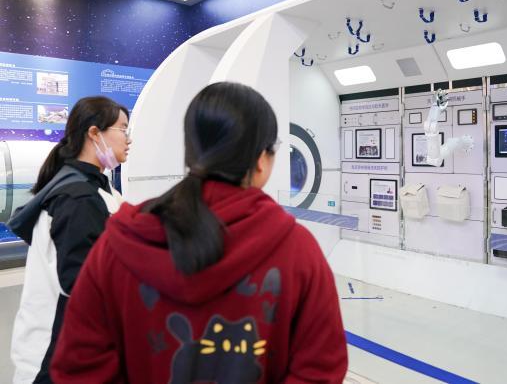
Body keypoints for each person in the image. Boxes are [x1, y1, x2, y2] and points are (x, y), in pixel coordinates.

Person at [51, 82, 348, 383]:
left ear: (192, 151)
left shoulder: (120, 244)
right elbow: (320, 368)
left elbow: (79, 367)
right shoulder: (297, 250)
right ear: (261, 159)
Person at [9, 96, 130, 384]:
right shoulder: (78, 198)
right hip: (55, 358)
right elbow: (82, 285)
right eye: (123, 129)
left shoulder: (94, 187)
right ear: (94, 133)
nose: (129, 139)